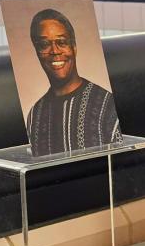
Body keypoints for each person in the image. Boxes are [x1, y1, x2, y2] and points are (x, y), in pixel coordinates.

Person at [26, 9, 122, 155]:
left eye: (62, 42)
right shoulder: (34, 115)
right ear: (37, 52)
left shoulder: (107, 104)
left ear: (74, 48)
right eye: (44, 44)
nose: (55, 51)